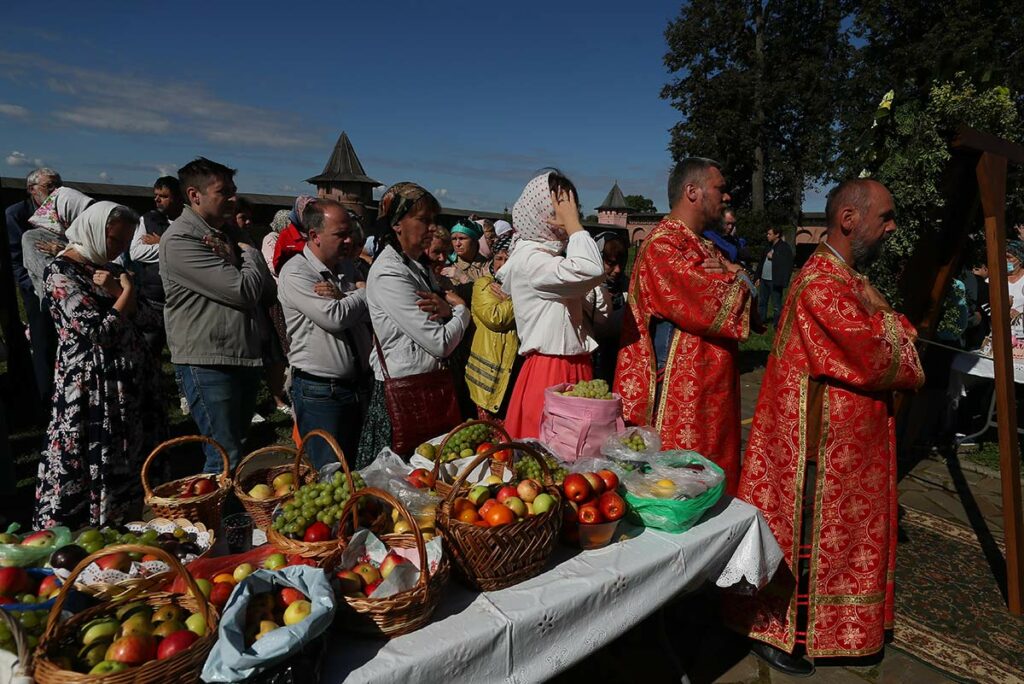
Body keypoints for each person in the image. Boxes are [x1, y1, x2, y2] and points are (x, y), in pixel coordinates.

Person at [726, 179, 924, 675]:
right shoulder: (822, 285)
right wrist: (898, 326)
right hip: (815, 439)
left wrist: (886, 320)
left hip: (848, 440)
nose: (892, 227)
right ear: (850, 219)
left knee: (833, 533)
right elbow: (881, 357)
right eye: (886, 216)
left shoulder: (847, 279)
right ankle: (777, 630)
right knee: (802, 533)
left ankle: (826, 624)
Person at [614, 157, 752, 494]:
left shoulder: (701, 244)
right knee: (680, 482)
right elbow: (711, 302)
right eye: (720, 188)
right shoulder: (664, 245)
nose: (727, 197)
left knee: (710, 479)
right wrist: (736, 279)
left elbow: (738, 284)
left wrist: (737, 276)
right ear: (692, 191)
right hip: (680, 394)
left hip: (710, 386)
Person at [33, 202, 165, 529]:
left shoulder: (105, 268)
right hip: (93, 391)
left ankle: (125, 525)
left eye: (124, 242)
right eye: (115, 240)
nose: (119, 250)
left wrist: (122, 294)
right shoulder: (60, 273)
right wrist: (125, 293)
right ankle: (88, 534)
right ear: (92, 231)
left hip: (128, 388)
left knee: (133, 462)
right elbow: (97, 332)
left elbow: (150, 318)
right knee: (90, 461)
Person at [161, 157, 274, 472]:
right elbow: (244, 291)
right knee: (224, 455)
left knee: (237, 446)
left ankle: (233, 515)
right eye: (224, 191)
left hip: (238, 355)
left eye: (234, 190)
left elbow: (267, 291)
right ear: (195, 196)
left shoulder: (225, 235)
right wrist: (248, 252)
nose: (233, 198)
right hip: (209, 361)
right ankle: (217, 519)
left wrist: (241, 253)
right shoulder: (182, 240)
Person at [358, 183, 468, 467]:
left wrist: (446, 310)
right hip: (406, 395)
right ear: (396, 224)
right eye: (423, 220)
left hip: (428, 387)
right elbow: (440, 342)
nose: (432, 228)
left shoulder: (414, 267)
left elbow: (438, 321)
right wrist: (461, 311)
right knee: (401, 484)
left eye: (434, 220)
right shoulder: (390, 273)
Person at [501, 170, 605, 439]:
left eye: (572, 207)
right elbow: (592, 269)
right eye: (562, 206)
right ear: (541, 211)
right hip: (551, 370)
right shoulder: (531, 260)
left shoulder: (546, 255)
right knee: (551, 455)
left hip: (570, 364)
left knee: (578, 458)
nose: (570, 212)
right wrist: (575, 226)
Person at [278, 199, 370, 469]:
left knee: (358, 464)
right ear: (315, 236)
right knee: (330, 470)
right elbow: (335, 317)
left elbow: (372, 312)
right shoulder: (297, 273)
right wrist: (364, 292)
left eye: (350, 233)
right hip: (322, 391)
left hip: (357, 385)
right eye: (340, 234)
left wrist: (348, 297)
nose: (348, 241)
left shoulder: (347, 268)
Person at [5, 167, 61, 404]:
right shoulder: (16, 215)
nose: (55, 190)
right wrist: (33, 286)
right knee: (43, 342)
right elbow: (15, 258)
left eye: (58, 185)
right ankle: (45, 398)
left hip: (63, 285)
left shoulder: (58, 210)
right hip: (35, 290)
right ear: (31, 189)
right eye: (49, 186)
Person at [127, 176, 184, 354]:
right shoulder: (148, 220)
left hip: (182, 300)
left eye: (164, 196)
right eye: (156, 195)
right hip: (154, 298)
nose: (157, 199)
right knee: (147, 352)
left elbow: (195, 254)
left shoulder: (189, 222)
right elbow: (136, 253)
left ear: (178, 197)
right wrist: (173, 247)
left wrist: (163, 243)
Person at [467, 232, 520, 417]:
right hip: (489, 380)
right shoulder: (484, 284)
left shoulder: (518, 287)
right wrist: (519, 298)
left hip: (513, 373)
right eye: (499, 258)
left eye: (508, 259)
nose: (503, 264)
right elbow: (495, 317)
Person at [24, 186, 94, 298]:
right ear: (66, 211)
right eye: (81, 213)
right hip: (58, 302)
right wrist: (64, 254)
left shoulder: (81, 234)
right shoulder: (33, 237)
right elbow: (50, 274)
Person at [589, 232, 628, 383]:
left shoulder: (629, 287)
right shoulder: (585, 287)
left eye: (621, 263)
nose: (617, 270)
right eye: (610, 264)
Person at [755, 227, 794, 325]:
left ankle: (777, 324)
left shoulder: (784, 247)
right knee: (762, 302)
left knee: (776, 304)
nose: (767, 236)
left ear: (777, 235)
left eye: (769, 234)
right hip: (764, 279)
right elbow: (761, 263)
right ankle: (761, 321)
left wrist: (774, 257)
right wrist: (758, 277)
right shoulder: (768, 246)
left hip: (775, 280)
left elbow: (787, 262)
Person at [442, 219, 490, 289]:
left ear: (474, 241)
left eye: (462, 238)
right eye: (454, 239)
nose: (457, 244)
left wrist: (463, 277)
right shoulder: (447, 265)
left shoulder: (488, 266)